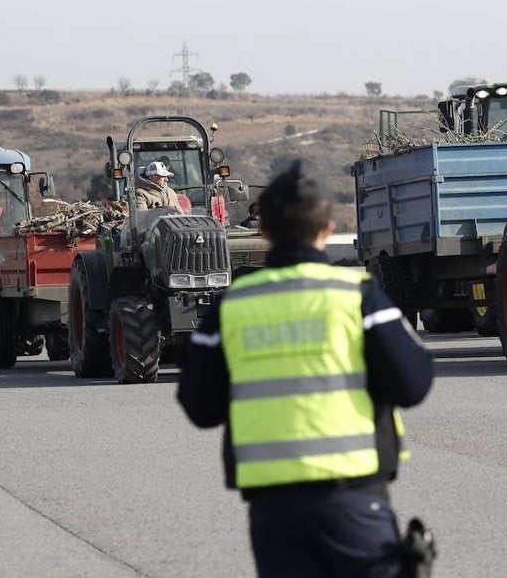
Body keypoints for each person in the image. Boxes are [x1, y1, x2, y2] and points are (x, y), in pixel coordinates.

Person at [177, 160, 435, 577]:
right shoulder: (357, 296)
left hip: (272, 511)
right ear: (328, 227)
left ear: (263, 230)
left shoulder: (232, 306)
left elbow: (199, 406)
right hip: (355, 499)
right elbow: (413, 383)